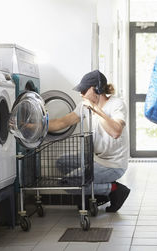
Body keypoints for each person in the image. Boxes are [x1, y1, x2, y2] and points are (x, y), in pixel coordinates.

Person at [48, 70, 130, 213]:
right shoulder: (83, 106)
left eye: (84, 90)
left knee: (67, 183)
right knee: (62, 162)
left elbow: (115, 131)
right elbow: (61, 123)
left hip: (113, 165)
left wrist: (95, 109)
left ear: (96, 89)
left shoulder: (117, 104)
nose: (81, 94)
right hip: (95, 159)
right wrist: (34, 126)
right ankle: (93, 194)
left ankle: (114, 189)